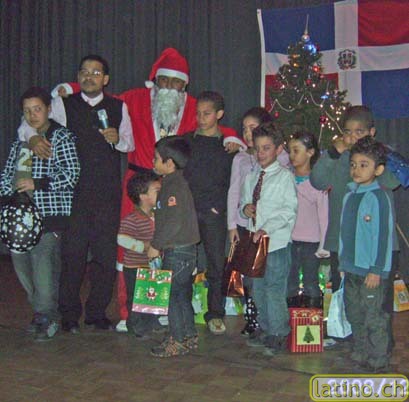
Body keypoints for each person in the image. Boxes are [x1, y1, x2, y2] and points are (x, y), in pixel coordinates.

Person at [50, 48, 244, 331]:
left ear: (185, 85)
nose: (170, 87)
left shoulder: (193, 106)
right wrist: (71, 87)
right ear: (154, 80)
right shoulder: (133, 99)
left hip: (174, 188)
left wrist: (233, 138)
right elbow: (94, 92)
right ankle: (129, 311)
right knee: (130, 251)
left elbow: (214, 126)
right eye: (164, 80)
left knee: (169, 249)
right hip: (137, 185)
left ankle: (162, 309)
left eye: (176, 82)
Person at [18, 55, 135, 333]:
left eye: (95, 72)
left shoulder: (118, 106)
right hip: (73, 194)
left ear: (105, 79)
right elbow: (30, 121)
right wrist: (32, 137)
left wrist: (118, 139)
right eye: (84, 71)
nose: (89, 77)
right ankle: (69, 314)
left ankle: (97, 313)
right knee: (72, 256)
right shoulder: (63, 104)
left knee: (105, 257)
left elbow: (129, 143)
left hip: (107, 193)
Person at [0, 86, 80, 340]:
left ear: (48, 109)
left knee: (43, 265)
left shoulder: (61, 137)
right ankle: (41, 311)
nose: (32, 115)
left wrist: (37, 183)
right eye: (27, 111)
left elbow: (71, 175)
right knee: (21, 265)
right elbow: (7, 175)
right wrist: (6, 194)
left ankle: (47, 315)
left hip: (48, 215)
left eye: (37, 109)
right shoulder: (21, 141)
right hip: (18, 218)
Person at [310, 106, 400, 293]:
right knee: (344, 299)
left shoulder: (382, 156)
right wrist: (333, 153)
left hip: (376, 248)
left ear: (371, 133)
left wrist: (375, 156)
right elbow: (317, 181)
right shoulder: (339, 158)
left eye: (359, 132)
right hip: (343, 245)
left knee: (377, 303)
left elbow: (393, 182)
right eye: (348, 132)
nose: (352, 138)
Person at [241, 122, 297, 356]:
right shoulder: (251, 177)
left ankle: (279, 332)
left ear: (278, 149)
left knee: (274, 288)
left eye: (267, 148)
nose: (261, 153)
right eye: (258, 148)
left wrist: (267, 228)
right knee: (257, 288)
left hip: (276, 243)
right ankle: (265, 328)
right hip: (256, 244)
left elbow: (288, 211)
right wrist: (245, 209)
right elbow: (244, 203)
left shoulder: (284, 177)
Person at [339, 136, 393, 372]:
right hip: (351, 268)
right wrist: (343, 262)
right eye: (353, 164)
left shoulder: (378, 198)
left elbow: (382, 237)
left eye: (364, 165)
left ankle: (378, 357)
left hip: (370, 272)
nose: (356, 170)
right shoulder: (349, 195)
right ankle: (360, 350)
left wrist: (376, 270)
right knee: (354, 313)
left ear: (378, 169)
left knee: (373, 316)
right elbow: (344, 233)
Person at [183, 91, 236, 335]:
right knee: (184, 263)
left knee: (216, 264)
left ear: (219, 114)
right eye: (198, 113)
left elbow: (233, 182)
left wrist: (219, 206)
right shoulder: (186, 141)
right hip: (188, 212)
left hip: (214, 213)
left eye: (207, 114)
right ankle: (181, 311)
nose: (201, 118)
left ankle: (215, 313)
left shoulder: (228, 146)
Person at [147, 136, 200, 357]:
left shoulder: (174, 186)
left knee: (171, 295)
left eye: (156, 158)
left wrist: (155, 245)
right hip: (183, 251)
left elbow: (174, 221)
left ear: (169, 163)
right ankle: (188, 335)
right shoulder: (173, 183)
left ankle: (177, 339)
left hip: (178, 250)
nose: (152, 161)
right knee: (181, 294)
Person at [227, 107, 272, 336]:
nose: (247, 133)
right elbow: (234, 190)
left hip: (268, 226)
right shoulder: (241, 158)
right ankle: (252, 317)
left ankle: (269, 320)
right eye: (244, 129)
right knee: (247, 274)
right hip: (245, 224)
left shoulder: (279, 156)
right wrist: (232, 224)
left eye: (252, 128)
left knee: (267, 274)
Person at [117, 172, 162, 339]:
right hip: (135, 266)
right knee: (136, 298)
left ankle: (151, 322)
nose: (161, 194)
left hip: (151, 265)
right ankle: (136, 325)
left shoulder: (156, 216)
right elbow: (122, 239)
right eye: (156, 191)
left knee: (151, 296)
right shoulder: (133, 218)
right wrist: (144, 246)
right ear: (143, 196)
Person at [287, 131, 329, 308]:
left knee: (311, 281)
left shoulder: (318, 183)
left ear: (310, 152)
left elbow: (324, 216)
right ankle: (291, 318)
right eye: (290, 151)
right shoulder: (286, 178)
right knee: (289, 281)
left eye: (296, 150)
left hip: (311, 242)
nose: (291, 155)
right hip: (289, 240)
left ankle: (312, 318)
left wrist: (323, 244)